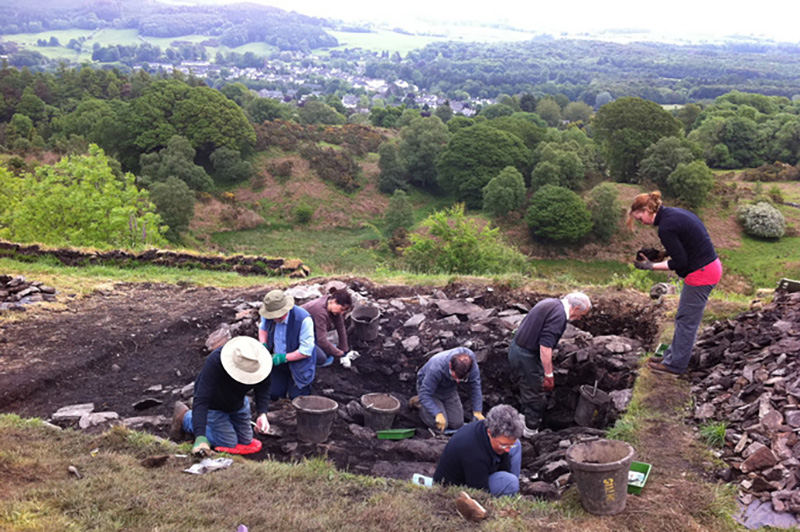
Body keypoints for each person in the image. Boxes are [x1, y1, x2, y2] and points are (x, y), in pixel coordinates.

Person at [628, 191, 722, 375]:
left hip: (701, 273)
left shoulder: (665, 227)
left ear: (647, 210)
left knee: (687, 321)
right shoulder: (674, 214)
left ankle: (675, 365)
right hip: (708, 267)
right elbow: (687, 244)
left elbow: (681, 263)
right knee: (683, 318)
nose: (642, 223)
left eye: (640, 218)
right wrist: (662, 253)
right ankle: (672, 356)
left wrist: (651, 266)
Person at [170, 336, 272, 456]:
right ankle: (186, 418)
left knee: (246, 441)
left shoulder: (260, 362)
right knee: (228, 443)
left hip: (237, 402)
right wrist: (200, 436)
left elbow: (263, 388)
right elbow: (201, 400)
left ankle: (221, 424)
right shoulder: (215, 362)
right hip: (214, 405)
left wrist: (262, 414)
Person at [508, 292, 592, 436]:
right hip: (526, 356)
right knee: (536, 396)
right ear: (576, 308)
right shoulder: (559, 317)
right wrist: (549, 375)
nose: (579, 318)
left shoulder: (550, 303)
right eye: (581, 314)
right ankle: (530, 433)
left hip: (517, 348)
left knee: (527, 388)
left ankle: (522, 421)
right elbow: (545, 348)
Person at [433, 404, 524, 497]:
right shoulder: (473, 452)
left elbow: (505, 460)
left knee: (516, 445)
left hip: (478, 473)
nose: (507, 450)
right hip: (457, 488)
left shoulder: (490, 426)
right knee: (510, 482)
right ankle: (508, 492)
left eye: (509, 446)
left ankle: (512, 493)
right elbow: (480, 493)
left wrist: (505, 468)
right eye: (503, 445)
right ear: (489, 433)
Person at [258, 289, 316, 400]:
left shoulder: (303, 319)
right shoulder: (268, 312)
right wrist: (263, 345)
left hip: (299, 363)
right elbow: (263, 329)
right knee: (274, 394)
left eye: (278, 316)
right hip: (277, 361)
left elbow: (306, 350)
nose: (274, 319)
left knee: (297, 398)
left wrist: (283, 358)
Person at [416, 346, 484, 432]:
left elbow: (475, 387)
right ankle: (420, 406)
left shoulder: (471, 365)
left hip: (449, 390)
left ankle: (437, 407)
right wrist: (437, 413)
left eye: (461, 379)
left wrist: (477, 411)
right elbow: (425, 394)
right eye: (454, 377)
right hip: (431, 392)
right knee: (440, 425)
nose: (458, 382)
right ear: (450, 365)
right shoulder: (436, 368)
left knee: (457, 424)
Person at [301, 288, 359, 368]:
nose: (342, 313)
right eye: (341, 309)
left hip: (309, 331)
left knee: (328, 352)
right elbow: (322, 341)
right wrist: (340, 353)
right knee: (321, 358)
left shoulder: (331, 304)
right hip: (296, 334)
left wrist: (345, 350)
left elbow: (341, 327)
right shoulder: (320, 311)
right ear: (334, 301)